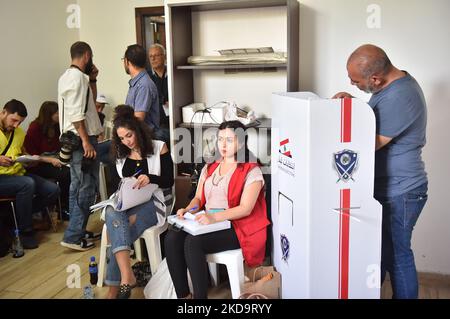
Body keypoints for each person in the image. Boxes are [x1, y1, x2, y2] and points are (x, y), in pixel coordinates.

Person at [333, 44, 428, 299]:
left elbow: (368, 144)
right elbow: (376, 115)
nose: (352, 83)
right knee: (387, 252)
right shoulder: (390, 86)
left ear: (375, 79)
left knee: (398, 256)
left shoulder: (402, 96)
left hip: (403, 190)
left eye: (355, 81)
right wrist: (352, 102)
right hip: (392, 187)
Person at [165, 120, 270, 299]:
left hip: (238, 226)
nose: (223, 144)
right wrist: (188, 210)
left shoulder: (252, 170)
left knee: (192, 242)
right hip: (208, 221)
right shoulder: (211, 166)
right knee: (172, 238)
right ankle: (184, 297)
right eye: (220, 139)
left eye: (229, 140)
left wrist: (214, 218)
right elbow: (198, 199)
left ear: (242, 142)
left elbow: (245, 209)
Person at [104, 105, 174, 299]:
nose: (126, 141)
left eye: (129, 135)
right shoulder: (120, 156)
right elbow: (118, 186)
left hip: (155, 201)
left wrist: (150, 178)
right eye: (121, 138)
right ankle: (127, 276)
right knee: (112, 213)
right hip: (129, 203)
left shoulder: (159, 146)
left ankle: (112, 291)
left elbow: (169, 180)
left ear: (138, 131)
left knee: (119, 229)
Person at [58, 41, 104, 251]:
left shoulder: (69, 77)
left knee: (77, 186)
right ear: (86, 55)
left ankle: (77, 229)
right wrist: (86, 141)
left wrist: (93, 79)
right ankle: (73, 236)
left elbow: (89, 104)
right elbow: (76, 115)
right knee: (85, 187)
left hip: (77, 138)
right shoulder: (76, 78)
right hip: (81, 139)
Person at [0, 99, 60, 248]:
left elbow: (22, 152)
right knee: (27, 184)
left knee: (53, 190)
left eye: (19, 122)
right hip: (3, 177)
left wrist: (29, 159)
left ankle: (15, 218)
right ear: (3, 113)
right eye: (13, 120)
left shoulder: (19, 132)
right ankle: (25, 230)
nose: (16, 125)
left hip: (17, 173)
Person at [24, 101, 71, 219]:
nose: (60, 115)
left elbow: (59, 147)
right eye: (57, 113)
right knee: (65, 173)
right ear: (49, 114)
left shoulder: (56, 127)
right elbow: (31, 155)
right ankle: (63, 209)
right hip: (38, 164)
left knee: (75, 169)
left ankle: (71, 205)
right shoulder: (35, 128)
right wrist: (50, 160)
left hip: (54, 159)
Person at [123, 44, 160, 135]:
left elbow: (138, 119)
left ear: (128, 62)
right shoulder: (137, 83)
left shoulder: (143, 85)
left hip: (144, 138)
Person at [148, 43, 170, 143]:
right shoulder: (147, 77)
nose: (153, 59)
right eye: (151, 56)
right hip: (157, 124)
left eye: (156, 55)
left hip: (173, 120)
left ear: (164, 56)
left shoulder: (172, 73)